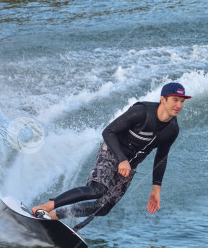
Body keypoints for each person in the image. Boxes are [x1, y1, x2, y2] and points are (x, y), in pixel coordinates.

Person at [32, 82, 190, 230]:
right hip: (112, 151)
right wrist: (121, 159)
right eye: (175, 100)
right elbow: (108, 132)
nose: (179, 105)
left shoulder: (172, 129)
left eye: (182, 101)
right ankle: (45, 207)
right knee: (97, 190)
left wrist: (156, 190)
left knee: (103, 207)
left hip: (130, 166)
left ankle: (53, 216)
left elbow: (162, 157)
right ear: (163, 99)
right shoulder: (141, 112)